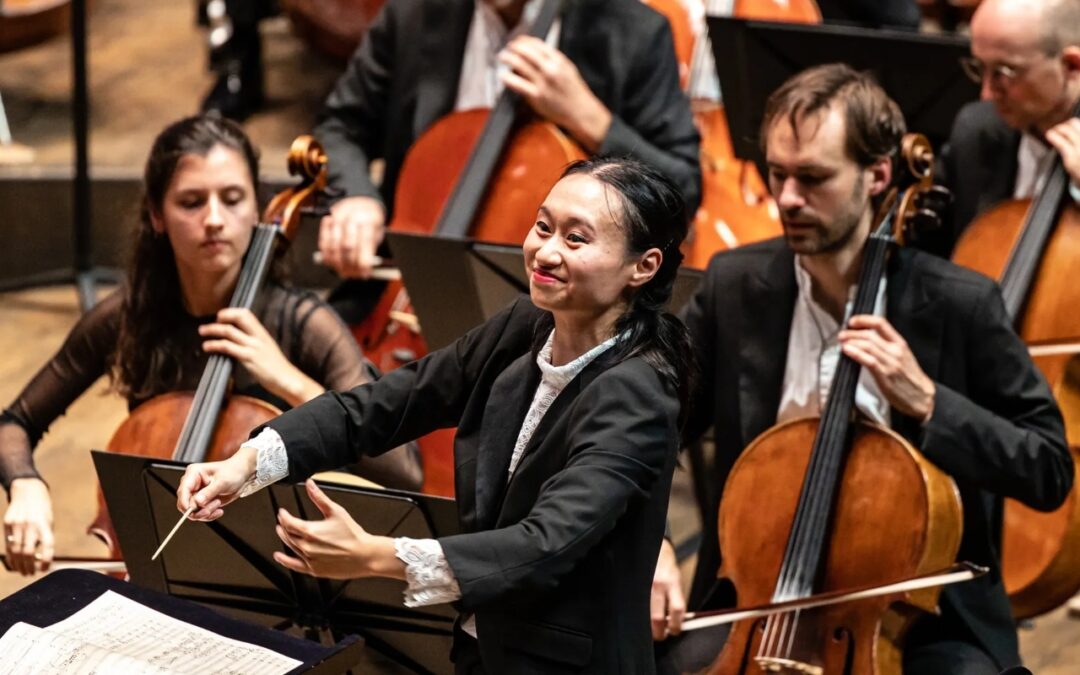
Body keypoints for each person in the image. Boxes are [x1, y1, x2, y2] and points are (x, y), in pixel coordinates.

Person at [176, 157, 693, 673]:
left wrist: (374, 556)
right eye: (543, 226)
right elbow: (387, 403)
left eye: (575, 239)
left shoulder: (638, 393)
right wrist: (248, 462)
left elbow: (545, 543)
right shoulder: (526, 325)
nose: (546, 251)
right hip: (480, 652)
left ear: (643, 266)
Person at [651, 64, 1072, 674]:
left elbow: (1049, 468)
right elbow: (649, 428)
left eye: (813, 178)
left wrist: (928, 402)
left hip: (923, 619)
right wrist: (657, 544)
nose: (787, 198)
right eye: (777, 173)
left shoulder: (960, 303)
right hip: (754, 604)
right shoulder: (735, 285)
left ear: (878, 176)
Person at [0, 114, 422, 577]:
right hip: (148, 569)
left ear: (257, 209)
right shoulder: (131, 316)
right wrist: (25, 486)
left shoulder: (304, 325)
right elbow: (15, 422)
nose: (215, 220)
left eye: (233, 199)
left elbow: (404, 470)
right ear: (157, 216)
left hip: (270, 571)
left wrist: (292, 382)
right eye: (191, 202)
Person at [313, 0, 701, 319]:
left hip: (557, 314)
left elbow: (681, 191)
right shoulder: (412, 13)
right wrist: (355, 196)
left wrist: (592, 121)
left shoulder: (633, 30)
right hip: (400, 295)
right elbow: (340, 127)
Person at [933, 0, 1080, 256]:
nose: (986, 94)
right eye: (979, 68)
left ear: (1071, 66)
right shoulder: (976, 131)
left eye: (1006, 72)